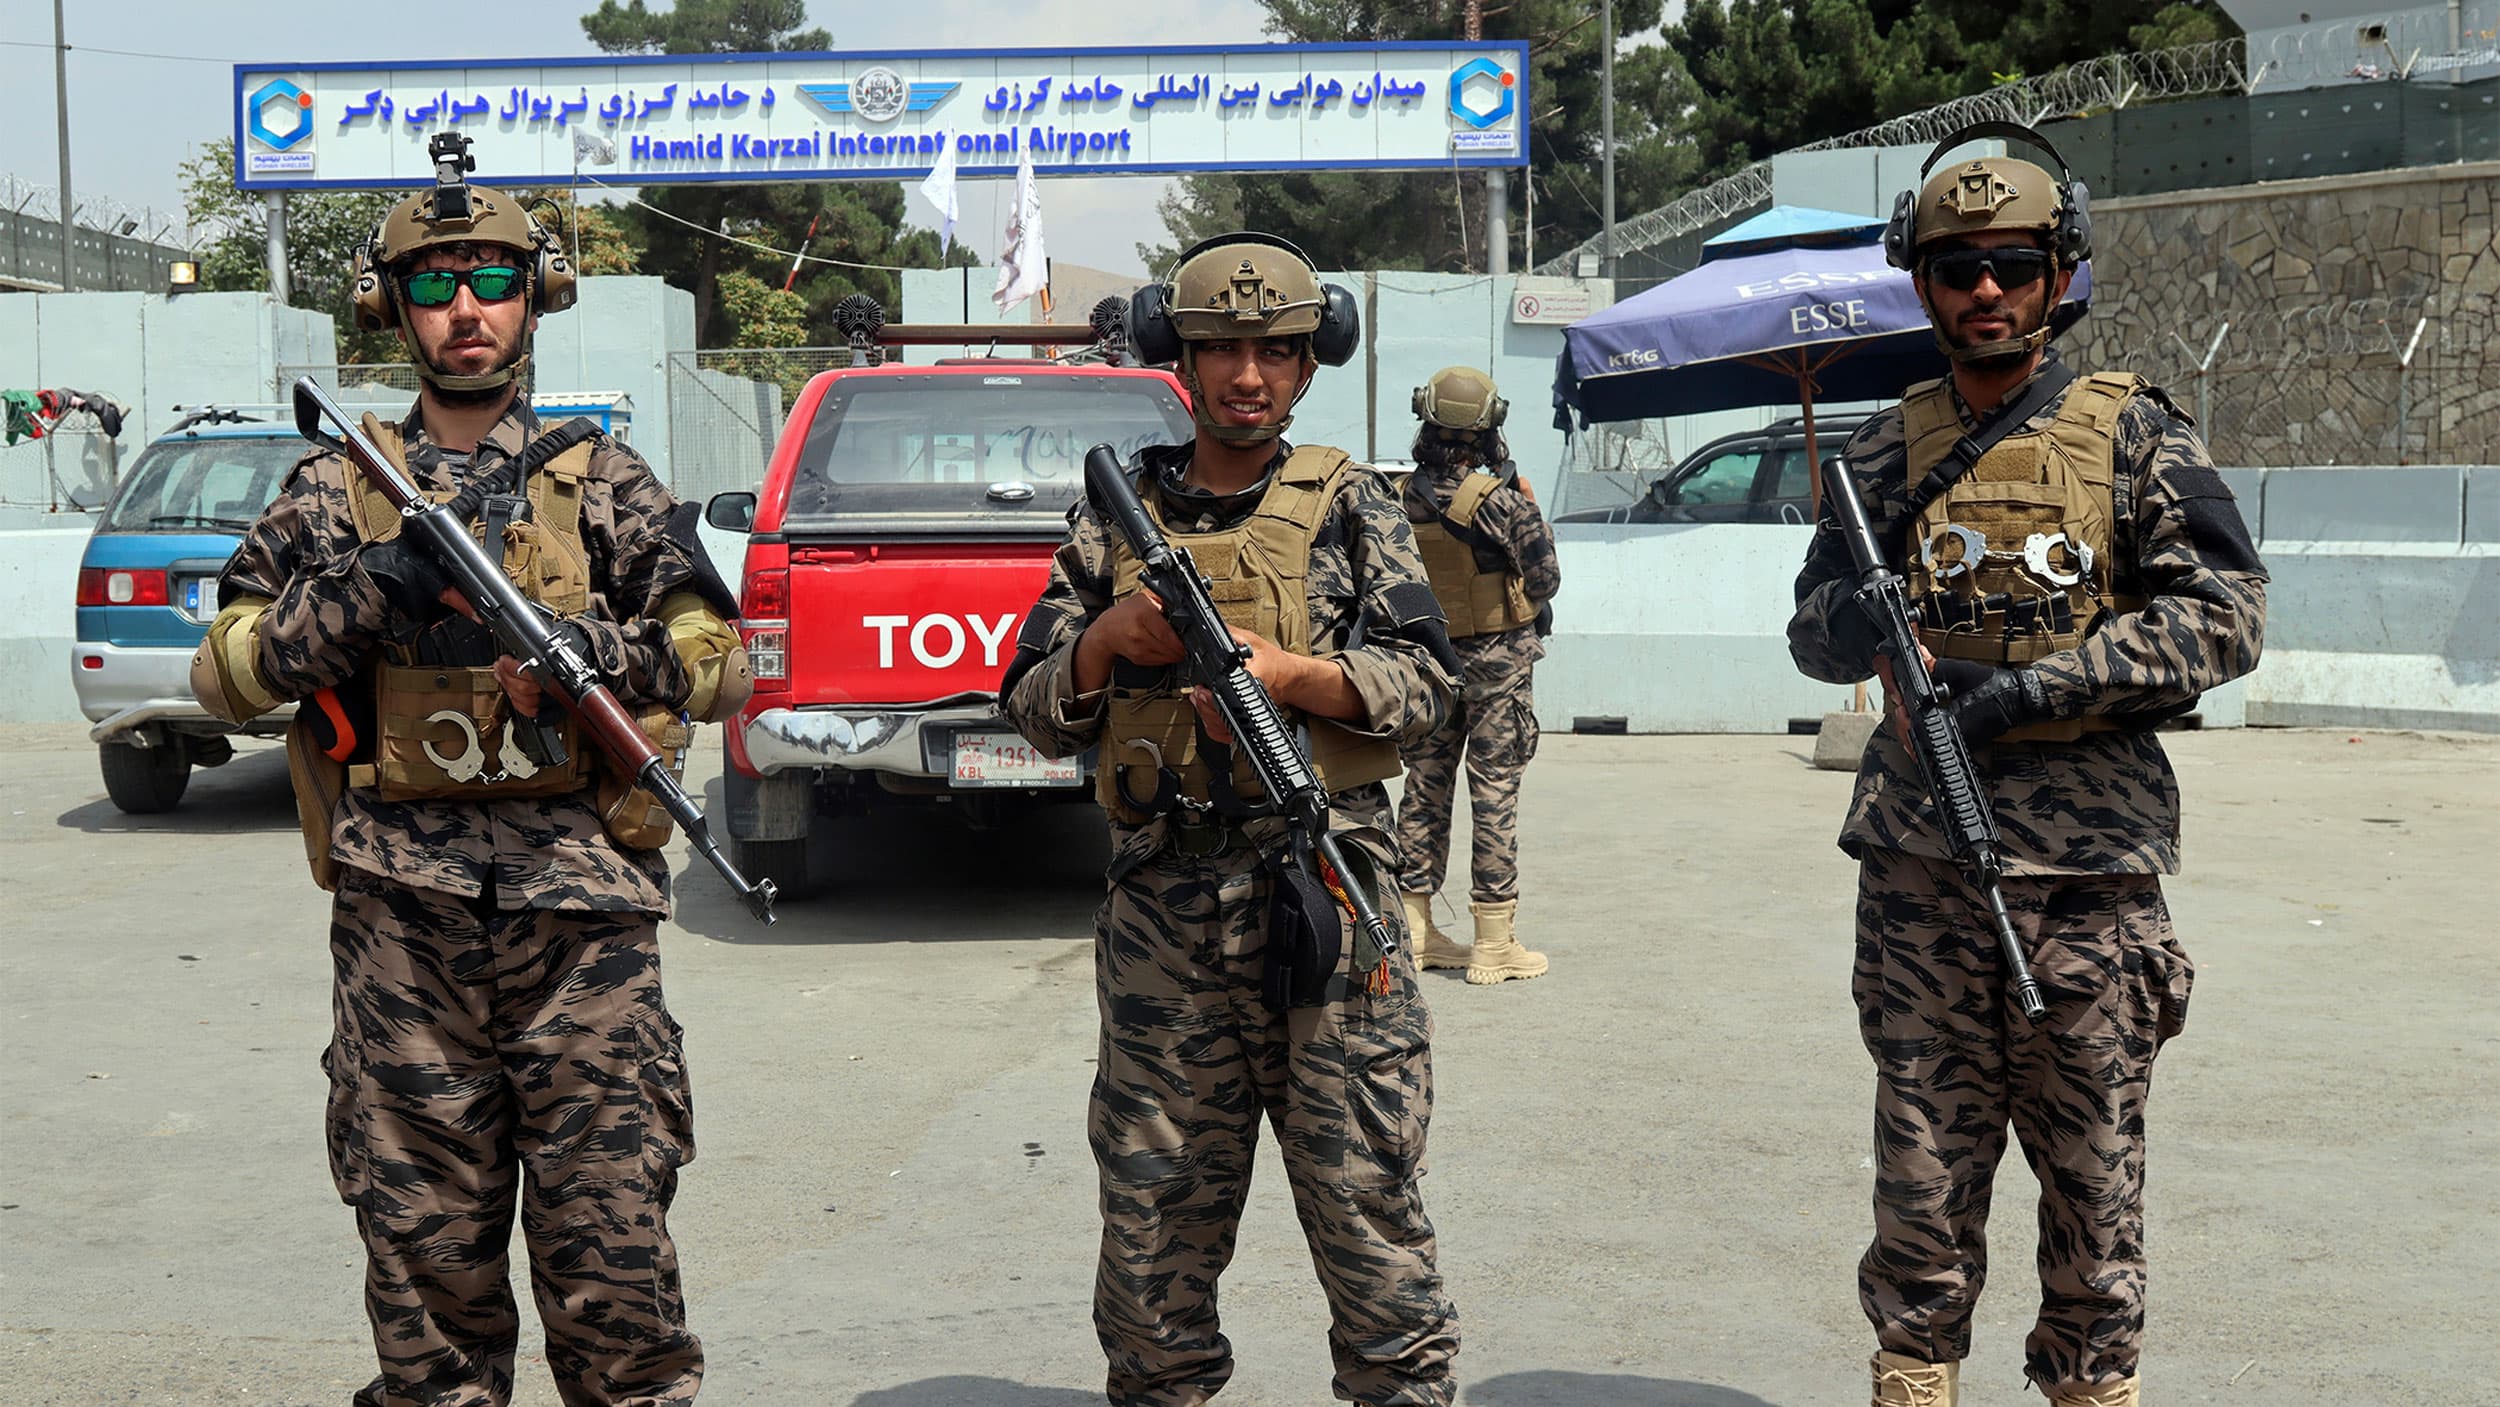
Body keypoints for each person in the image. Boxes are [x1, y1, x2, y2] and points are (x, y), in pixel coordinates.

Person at [188, 135, 749, 1407]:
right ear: (394, 309)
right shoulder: (336, 489)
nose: (464, 312)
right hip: (402, 927)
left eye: (488, 280)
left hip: (584, 920)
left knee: (615, 1262)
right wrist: (360, 593)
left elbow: (714, 662)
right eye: (432, 287)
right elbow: (223, 674)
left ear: (531, 295)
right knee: (423, 1266)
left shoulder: (598, 478)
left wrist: (591, 655)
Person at [1787, 126, 2267, 1407]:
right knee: (1922, 1177)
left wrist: (2026, 694)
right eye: (1956, 269)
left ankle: (2087, 1388)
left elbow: (2224, 616)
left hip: (2086, 883)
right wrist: (1853, 619)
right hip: (1919, 872)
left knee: (2092, 1183)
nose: (1983, 291)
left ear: (2059, 273)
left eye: (2010, 263)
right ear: (1923, 283)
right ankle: (1911, 1381)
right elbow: (1808, 625)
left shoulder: (2130, 437)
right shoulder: (1882, 453)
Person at [999, 232, 1463, 1407]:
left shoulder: (1358, 505)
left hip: (1326, 901)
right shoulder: (1117, 519)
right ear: (1179, 359)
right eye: (1220, 350)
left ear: (1310, 367)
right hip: (1164, 915)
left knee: (1367, 1208)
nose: (1247, 375)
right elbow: (1034, 707)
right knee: (1153, 1227)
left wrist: (1286, 677)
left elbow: (1426, 686)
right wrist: (1109, 643)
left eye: (1275, 350)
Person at [1390, 367, 1561, 984]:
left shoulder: (1398, 498)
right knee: (1494, 796)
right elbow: (1545, 583)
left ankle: (1412, 929)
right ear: (1490, 426)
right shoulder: (1502, 501)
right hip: (1498, 668)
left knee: (1424, 790)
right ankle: (1494, 940)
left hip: (1430, 664)